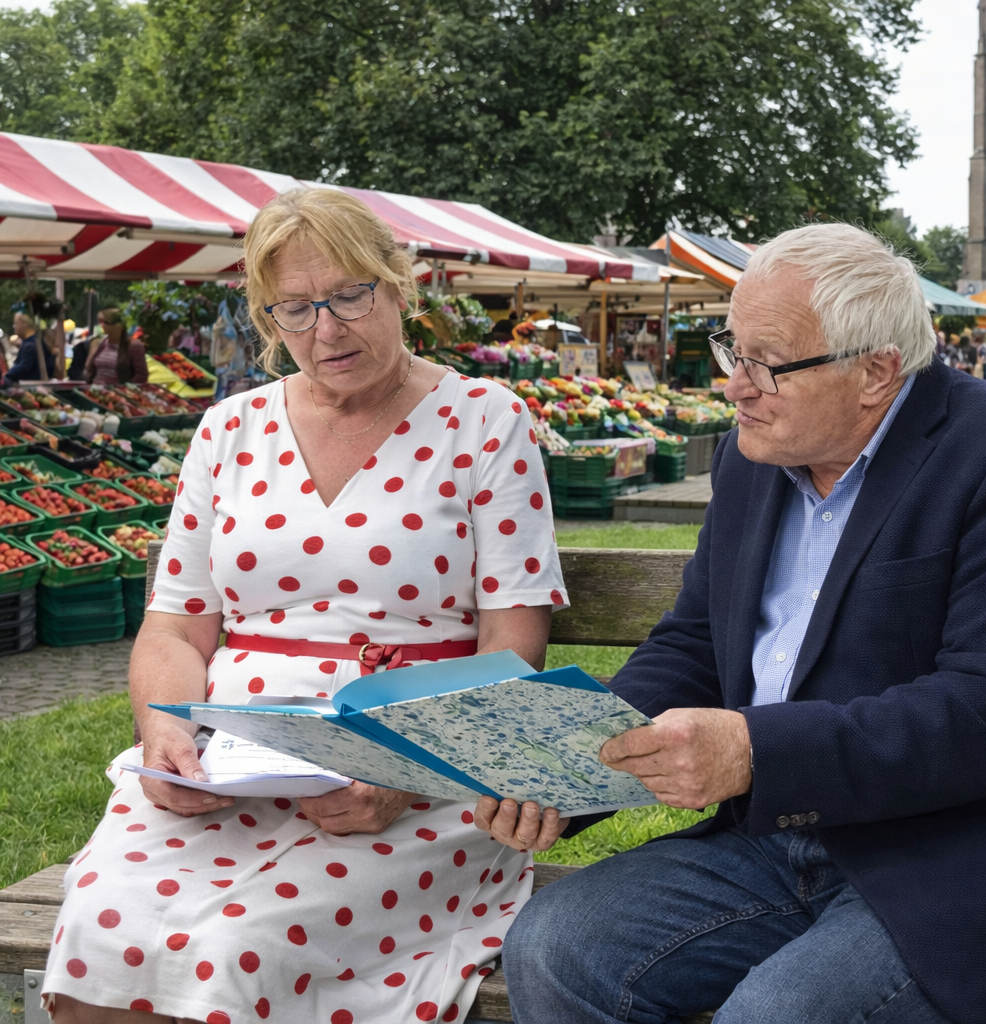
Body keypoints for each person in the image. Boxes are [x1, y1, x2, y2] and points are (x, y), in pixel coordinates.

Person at [493, 222, 986, 1024]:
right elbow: (694, 646)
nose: (734, 386)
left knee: (776, 1016)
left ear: (877, 372)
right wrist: (569, 770)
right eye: (731, 350)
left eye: (765, 363)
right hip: (782, 835)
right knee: (552, 948)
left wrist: (754, 752)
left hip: (978, 847)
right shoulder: (755, 459)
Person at [42, 188, 570, 1024]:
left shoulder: (484, 420)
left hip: (413, 777)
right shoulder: (228, 430)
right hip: (233, 768)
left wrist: (403, 775)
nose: (326, 329)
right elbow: (176, 626)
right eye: (295, 308)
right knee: (102, 938)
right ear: (267, 317)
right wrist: (164, 734)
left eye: (349, 296)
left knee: (236, 948)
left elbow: (512, 653)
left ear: (399, 287)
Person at [81, 308, 149, 386]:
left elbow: (142, 375)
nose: (101, 325)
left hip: (118, 394)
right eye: (99, 322)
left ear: (117, 326)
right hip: (95, 390)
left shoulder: (134, 346)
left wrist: (124, 390)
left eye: (104, 322)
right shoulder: (100, 343)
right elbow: (89, 370)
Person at [5, 312, 57, 384]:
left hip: (33, 387)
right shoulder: (36, 341)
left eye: (16, 323)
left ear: (24, 324)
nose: (14, 326)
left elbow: (23, 367)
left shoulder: (30, 345)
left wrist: (6, 377)